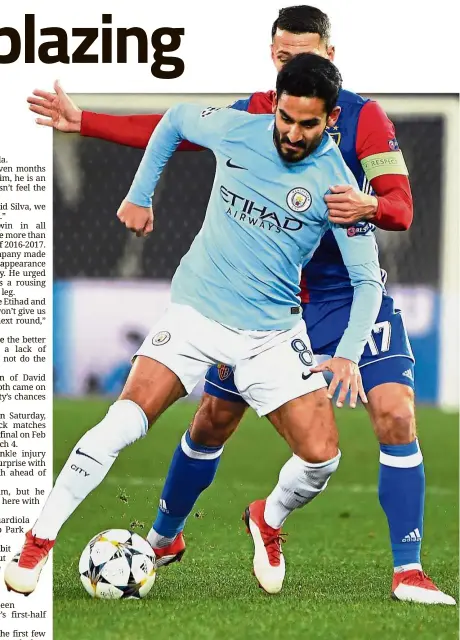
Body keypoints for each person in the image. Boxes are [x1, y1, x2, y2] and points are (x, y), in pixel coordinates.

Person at [25, 6, 455, 606]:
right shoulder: (260, 113)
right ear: (274, 60)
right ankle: (164, 538)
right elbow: (172, 125)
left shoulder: (365, 120)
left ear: (330, 56)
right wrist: (86, 122)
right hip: (267, 299)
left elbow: (401, 209)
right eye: (281, 56)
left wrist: (367, 207)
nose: (290, 65)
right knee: (211, 420)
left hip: (344, 292)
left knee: (396, 414)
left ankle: (406, 569)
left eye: (302, 53)